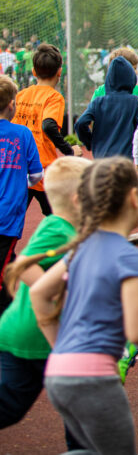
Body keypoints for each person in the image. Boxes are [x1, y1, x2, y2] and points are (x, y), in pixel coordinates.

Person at [28, 158, 138, 452]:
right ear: (135, 198)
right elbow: (137, 333)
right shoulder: (129, 256)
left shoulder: (81, 246)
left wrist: (59, 345)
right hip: (94, 378)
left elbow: (39, 294)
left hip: (58, 373)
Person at [0, 157, 88, 446]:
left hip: (49, 338)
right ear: (79, 200)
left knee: (82, 407)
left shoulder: (74, 231)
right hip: (28, 339)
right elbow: (23, 264)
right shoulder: (58, 228)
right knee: (9, 408)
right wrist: (58, 294)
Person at [13, 44, 81, 217]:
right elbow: (48, 125)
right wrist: (69, 150)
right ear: (60, 71)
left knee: (11, 217)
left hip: (19, 165)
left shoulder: (21, 95)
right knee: (60, 218)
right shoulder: (54, 97)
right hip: (42, 169)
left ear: (34, 72)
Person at [0, 76, 43, 314]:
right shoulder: (22, 134)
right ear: (11, 105)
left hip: (6, 216)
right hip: (6, 216)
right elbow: (36, 175)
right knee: (4, 275)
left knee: (8, 263)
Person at [74, 56, 138, 159]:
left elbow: (80, 123)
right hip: (124, 160)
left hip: (101, 158)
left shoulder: (98, 102)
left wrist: (91, 143)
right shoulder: (136, 102)